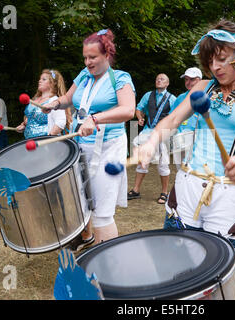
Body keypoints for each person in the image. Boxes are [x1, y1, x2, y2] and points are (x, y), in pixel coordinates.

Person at [135, 20, 235, 296]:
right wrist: (150, 142)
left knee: (223, 286)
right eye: (210, 61)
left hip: (232, 196)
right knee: (175, 274)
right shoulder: (203, 87)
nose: (215, 67)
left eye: (221, 59)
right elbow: (171, 119)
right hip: (187, 189)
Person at [45, 29, 136, 250]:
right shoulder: (84, 76)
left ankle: (109, 263)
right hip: (81, 147)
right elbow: (69, 98)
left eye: (92, 57)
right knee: (81, 201)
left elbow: (128, 110)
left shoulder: (121, 78)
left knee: (102, 212)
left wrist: (95, 119)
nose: (87, 62)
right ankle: (86, 238)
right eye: (85, 57)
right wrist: (55, 103)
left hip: (109, 148)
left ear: (107, 55)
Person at [127, 73, 177, 204]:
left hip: (163, 134)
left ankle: (164, 193)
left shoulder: (172, 98)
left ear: (167, 83)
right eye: (157, 79)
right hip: (148, 131)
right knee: (142, 159)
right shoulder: (148, 95)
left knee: (163, 163)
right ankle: (136, 190)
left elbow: (176, 116)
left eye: (162, 79)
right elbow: (138, 108)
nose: (159, 80)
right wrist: (140, 117)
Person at [16, 69, 67, 138]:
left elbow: (60, 122)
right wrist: (23, 126)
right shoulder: (34, 99)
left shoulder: (54, 101)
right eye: (40, 79)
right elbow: (30, 119)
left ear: (53, 83)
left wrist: (49, 138)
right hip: (29, 143)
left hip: (45, 144)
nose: (39, 81)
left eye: (44, 79)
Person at [171, 67, 203, 168]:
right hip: (180, 139)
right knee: (180, 171)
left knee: (196, 172)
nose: (188, 82)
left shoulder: (208, 97)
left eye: (192, 79)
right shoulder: (180, 98)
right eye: (186, 79)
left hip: (198, 140)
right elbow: (172, 118)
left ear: (200, 80)